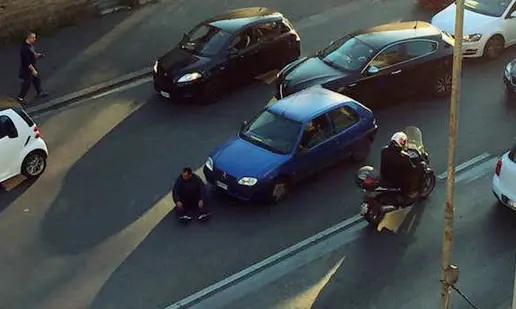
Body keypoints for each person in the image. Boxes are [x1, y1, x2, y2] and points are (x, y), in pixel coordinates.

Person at [380, 132, 420, 201]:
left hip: (385, 176)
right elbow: (412, 168)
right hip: (398, 181)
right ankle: (410, 193)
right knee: (417, 171)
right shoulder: (404, 156)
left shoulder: (384, 150)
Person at [18, 32, 48, 103]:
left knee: (36, 79)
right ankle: (20, 98)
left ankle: (39, 92)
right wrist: (33, 70)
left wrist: (38, 55)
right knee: (27, 83)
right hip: (27, 69)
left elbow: (32, 54)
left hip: (32, 66)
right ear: (28, 38)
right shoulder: (24, 49)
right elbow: (27, 62)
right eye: (33, 37)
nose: (35, 39)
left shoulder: (30, 46)